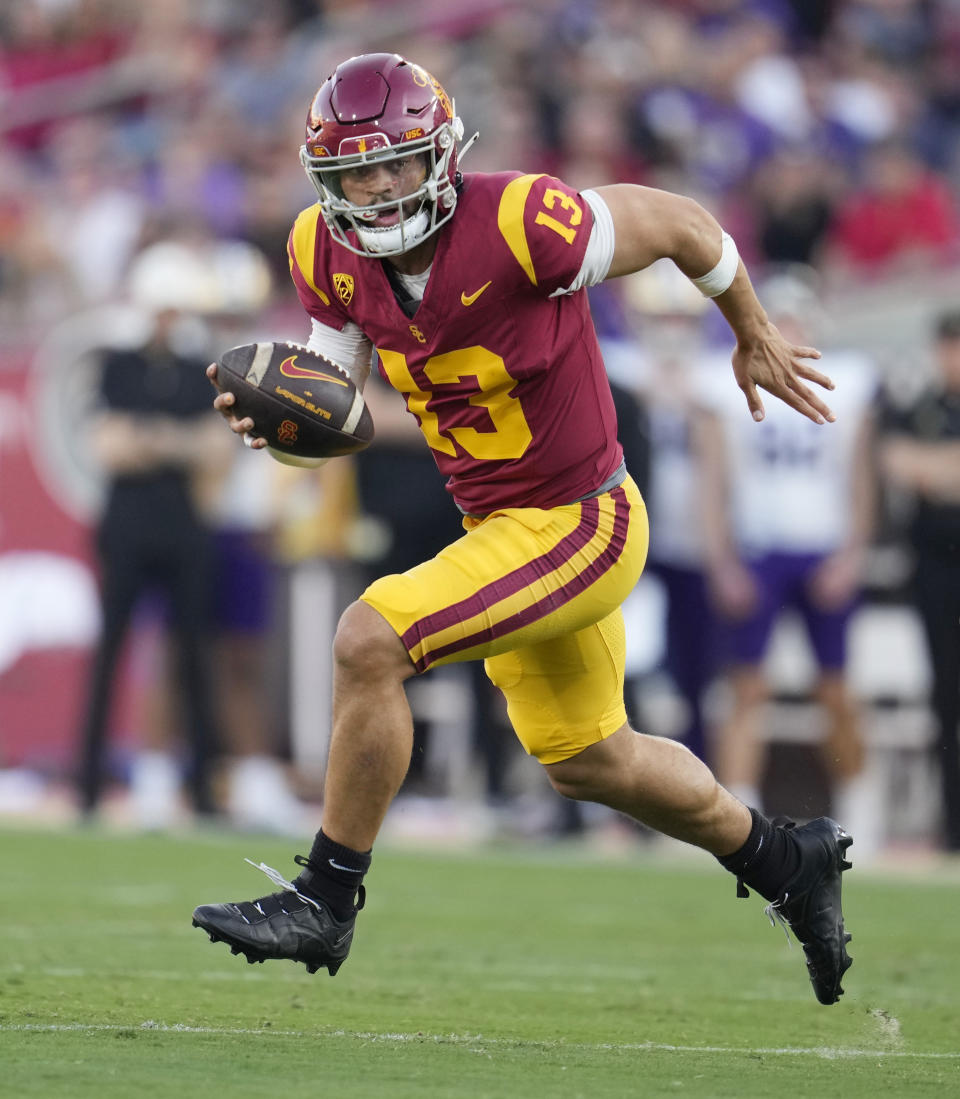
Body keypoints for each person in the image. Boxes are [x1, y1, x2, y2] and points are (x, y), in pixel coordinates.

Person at [193, 52, 853, 1005]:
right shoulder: (320, 250)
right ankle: (788, 857)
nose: (376, 190)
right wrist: (283, 433)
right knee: (594, 758)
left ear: (441, 155)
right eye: (353, 173)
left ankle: (325, 898)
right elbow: (333, 409)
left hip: (582, 518)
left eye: (395, 165)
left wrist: (748, 327)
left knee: (369, 636)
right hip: (497, 525)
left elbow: (682, 222)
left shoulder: (521, 221)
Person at [696, 270, 879, 850]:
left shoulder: (847, 381)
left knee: (837, 689)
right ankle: (739, 818)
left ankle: (861, 818)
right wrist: (721, 559)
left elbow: (860, 479)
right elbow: (713, 482)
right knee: (748, 688)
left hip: (822, 544)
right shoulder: (723, 381)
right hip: (758, 547)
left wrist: (853, 554)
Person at [77, 240, 231, 822]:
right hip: (127, 528)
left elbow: (217, 452)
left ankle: (207, 796)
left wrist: (151, 439)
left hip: (184, 530)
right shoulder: (118, 363)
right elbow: (109, 446)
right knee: (109, 653)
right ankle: (88, 788)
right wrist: (178, 442)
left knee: (196, 657)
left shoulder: (200, 371)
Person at [879, 308, 960, 852]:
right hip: (936, 569)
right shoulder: (921, 408)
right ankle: (953, 825)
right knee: (945, 699)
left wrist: (934, 469)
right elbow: (898, 463)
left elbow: (925, 469)